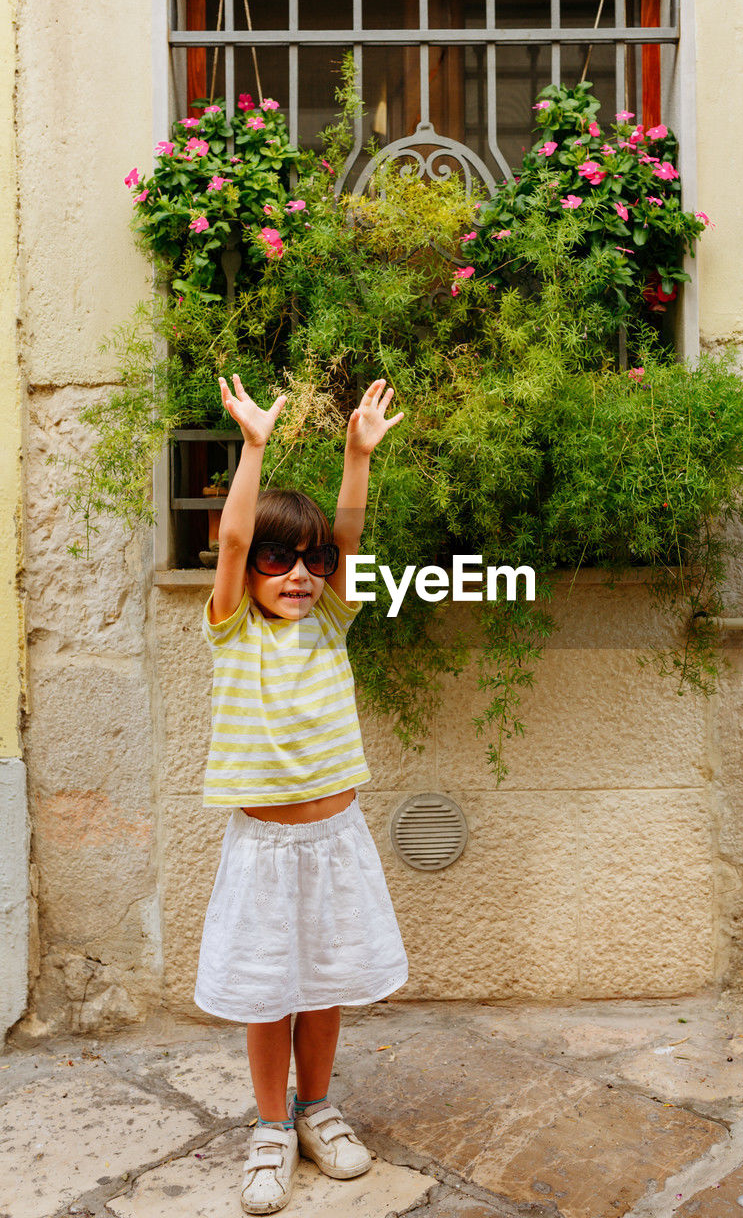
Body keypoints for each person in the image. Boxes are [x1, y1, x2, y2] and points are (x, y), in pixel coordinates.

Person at [193, 373, 409, 1215]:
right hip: (264, 848)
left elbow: (348, 535)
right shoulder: (231, 628)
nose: (298, 575)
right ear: (250, 571)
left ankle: (317, 1109)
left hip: (335, 840)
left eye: (311, 562)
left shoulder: (330, 620)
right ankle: (271, 1126)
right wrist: (253, 446)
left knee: (323, 986)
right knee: (267, 993)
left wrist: (357, 458)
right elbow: (233, 539)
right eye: (277, 560)